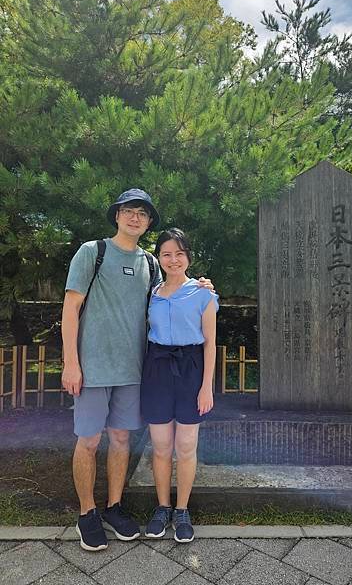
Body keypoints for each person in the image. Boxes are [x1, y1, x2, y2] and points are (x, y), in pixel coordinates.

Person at [61, 190, 212, 552]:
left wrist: (202, 286)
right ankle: (87, 513)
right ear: (117, 216)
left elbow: (172, 293)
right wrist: (71, 361)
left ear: (148, 223)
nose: (135, 218)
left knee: (122, 439)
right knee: (88, 440)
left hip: (134, 370)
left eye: (142, 214)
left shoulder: (149, 263)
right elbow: (70, 308)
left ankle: (114, 507)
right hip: (92, 368)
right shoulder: (92, 252)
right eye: (128, 211)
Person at [141, 228, 218, 543]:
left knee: (186, 446)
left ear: (188, 257)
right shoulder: (152, 293)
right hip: (157, 369)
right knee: (160, 446)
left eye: (179, 253)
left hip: (191, 370)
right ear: (159, 258)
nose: (173, 260)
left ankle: (182, 510)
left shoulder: (203, 293)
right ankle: (162, 506)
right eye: (166, 254)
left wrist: (206, 387)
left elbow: (211, 344)